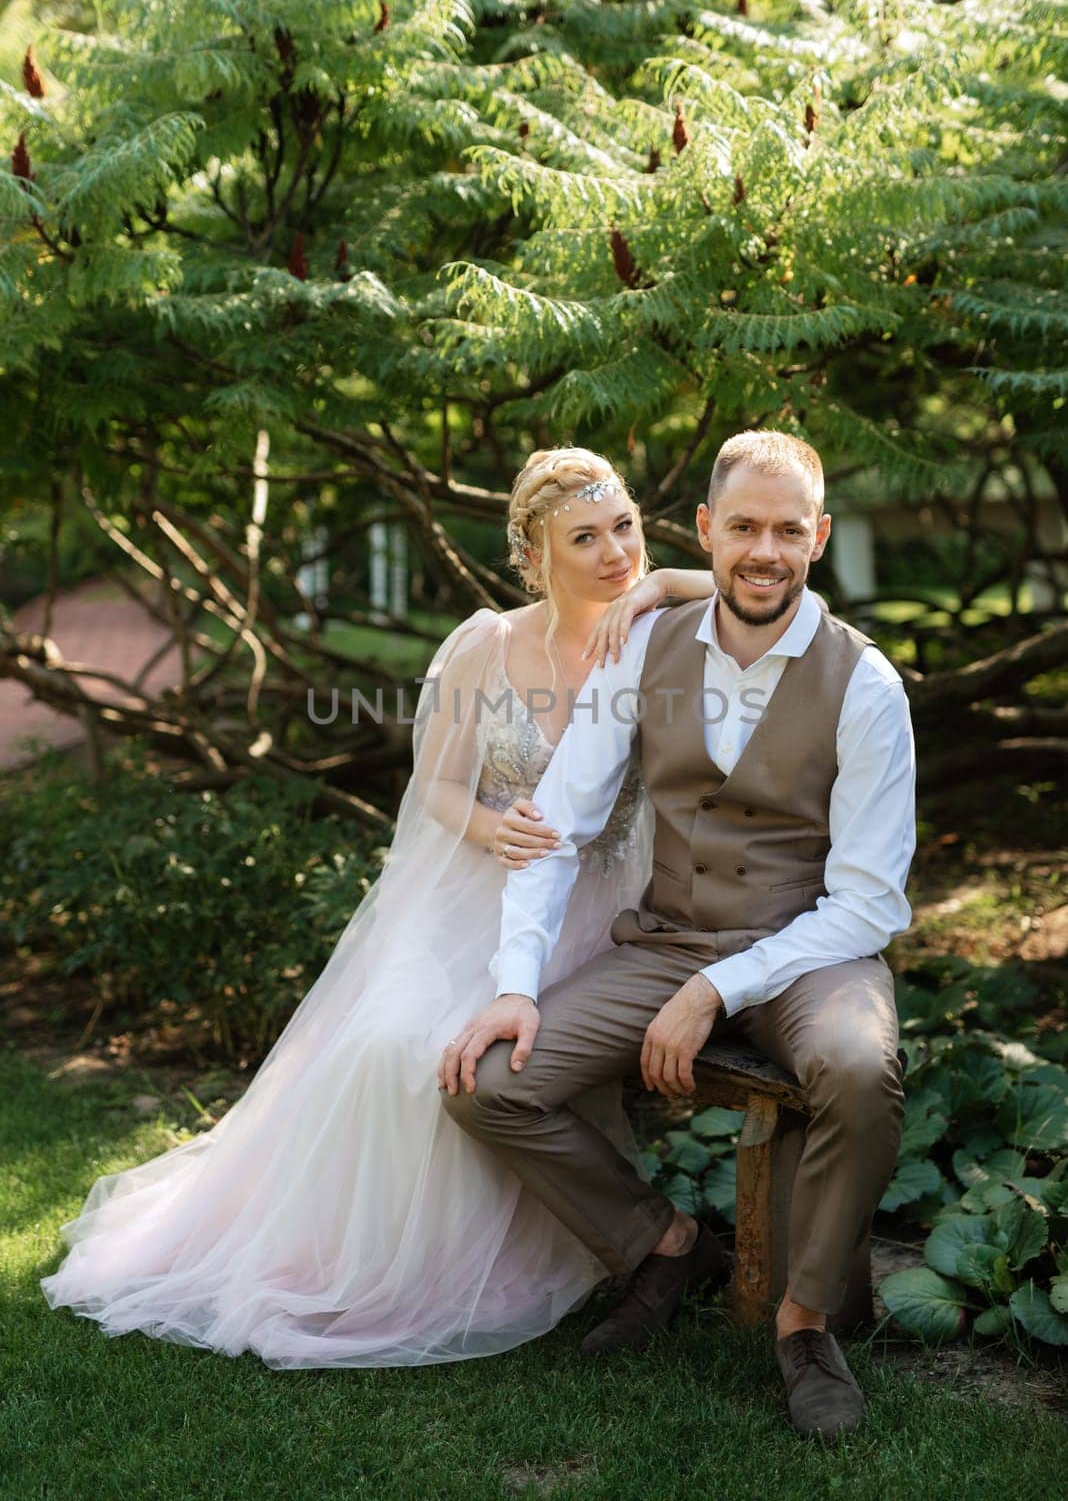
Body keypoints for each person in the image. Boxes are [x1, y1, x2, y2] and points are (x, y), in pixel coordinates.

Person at [41, 446, 719, 1369]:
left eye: (627, 528)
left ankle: (611, 1244)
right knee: (395, 1043)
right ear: (537, 555)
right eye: (586, 538)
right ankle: (358, 1259)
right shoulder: (486, 645)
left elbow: (773, 584)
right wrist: (494, 831)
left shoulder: (663, 633)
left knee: (487, 1057)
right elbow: (437, 788)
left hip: (597, 911)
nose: (616, 554)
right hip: (482, 893)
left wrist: (664, 582)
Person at [440, 429, 916, 1436]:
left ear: (819, 536)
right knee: (492, 1083)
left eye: (789, 529)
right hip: (667, 939)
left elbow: (870, 902)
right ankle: (659, 1244)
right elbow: (558, 825)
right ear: (705, 531)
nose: (764, 549)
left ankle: (804, 1322)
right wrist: (516, 980)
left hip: (811, 949)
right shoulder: (643, 645)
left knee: (859, 1068)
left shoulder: (866, 684)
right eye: (743, 526)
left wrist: (717, 991)